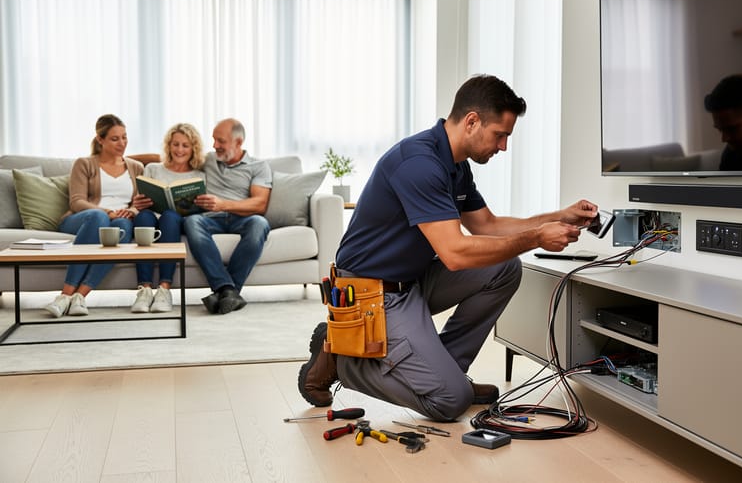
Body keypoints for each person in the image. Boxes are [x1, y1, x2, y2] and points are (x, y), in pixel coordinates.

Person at [298, 74, 598, 422]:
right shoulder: (419, 164)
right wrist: (536, 238)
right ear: (472, 121)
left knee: (504, 268)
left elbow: (487, 226)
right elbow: (455, 254)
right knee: (449, 403)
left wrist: (561, 216)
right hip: (372, 294)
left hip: (410, 281)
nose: (503, 146)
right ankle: (343, 360)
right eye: (500, 135)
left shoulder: (455, 166)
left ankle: (448, 374)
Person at [44, 114, 152, 318]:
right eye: (115, 138)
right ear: (100, 139)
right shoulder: (84, 164)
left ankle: (79, 297)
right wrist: (107, 212)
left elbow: (139, 203)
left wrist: (131, 211)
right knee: (98, 218)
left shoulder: (136, 167)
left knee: (124, 227)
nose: (122, 143)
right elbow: (77, 201)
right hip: (83, 219)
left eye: (124, 137)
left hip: (119, 220)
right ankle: (65, 295)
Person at [183, 118, 272, 315]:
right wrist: (125, 159)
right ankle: (228, 291)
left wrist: (223, 204)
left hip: (242, 218)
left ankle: (224, 290)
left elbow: (260, 203)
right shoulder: (208, 160)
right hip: (210, 218)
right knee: (192, 221)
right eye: (214, 140)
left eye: (220, 141)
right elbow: (173, 157)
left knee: (260, 223)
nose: (215, 146)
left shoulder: (258, 166)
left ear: (238, 142)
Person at [131, 123, 206, 313]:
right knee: (143, 218)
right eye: (175, 144)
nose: (179, 150)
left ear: (193, 148)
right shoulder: (153, 169)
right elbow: (141, 200)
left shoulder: (199, 174)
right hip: (151, 216)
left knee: (169, 216)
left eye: (185, 145)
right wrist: (139, 203)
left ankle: (164, 289)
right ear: (168, 145)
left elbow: (202, 207)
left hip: (175, 221)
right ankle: (145, 290)